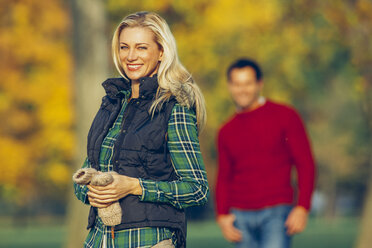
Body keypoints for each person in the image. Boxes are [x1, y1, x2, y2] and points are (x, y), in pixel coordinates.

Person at [74, 11, 209, 248]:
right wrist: (90, 190)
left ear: (161, 52)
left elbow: (197, 189)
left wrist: (136, 186)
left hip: (149, 240)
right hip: (99, 239)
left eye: (141, 48)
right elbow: (87, 170)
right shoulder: (112, 102)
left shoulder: (173, 107)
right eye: (124, 47)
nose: (131, 56)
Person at [215, 58, 316, 248]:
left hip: (276, 212)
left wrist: (303, 207)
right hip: (240, 216)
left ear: (259, 84)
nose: (242, 90)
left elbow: (305, 163)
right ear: (229, 86)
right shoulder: (225, 130)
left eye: (247, 83)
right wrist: (221, 214)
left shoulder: (285, 115)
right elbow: (223, 176)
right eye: (237, 84)